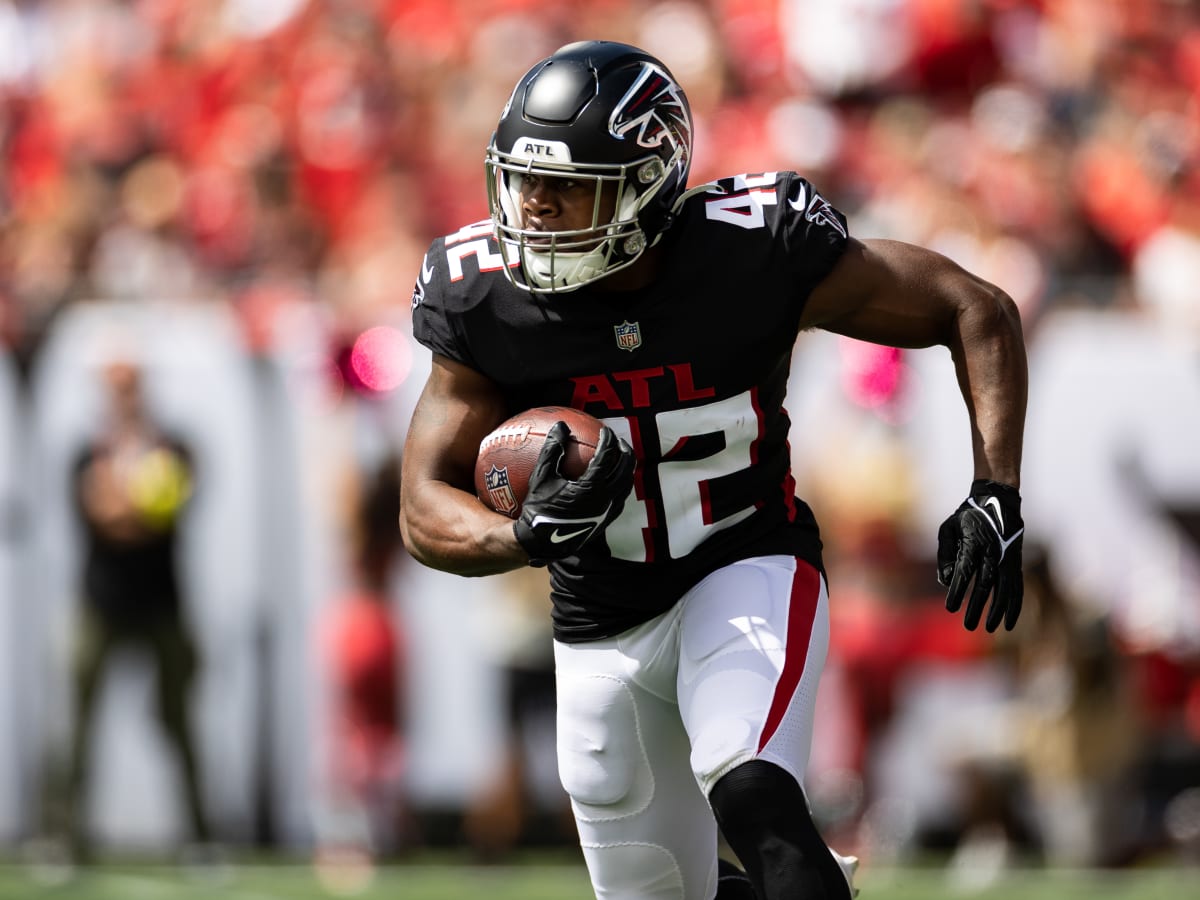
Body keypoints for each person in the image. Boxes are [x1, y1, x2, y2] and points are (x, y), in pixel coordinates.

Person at [399, 40, 1027, 900]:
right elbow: (421, 505)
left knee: (755, 789)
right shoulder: (486, 298)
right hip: (599, 616)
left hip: (744, 563)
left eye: (567, 185)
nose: (535, 209)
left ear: (648, 183)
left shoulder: (748, 253)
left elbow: (974, 307)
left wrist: (994, 490)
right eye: (524, 180)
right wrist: (518, 535)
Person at [63, 356, 210, 858]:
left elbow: (169, 508)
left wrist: (127, 502)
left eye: (131, 387)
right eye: (115, 388)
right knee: (79, 722)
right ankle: (65, 835)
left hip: (162, 603)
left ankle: (199, 835)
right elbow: (101, 514)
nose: (124, 398)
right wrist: (138, 504)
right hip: (101, 603)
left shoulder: (174, 446)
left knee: (180, 721)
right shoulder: (88, 451)